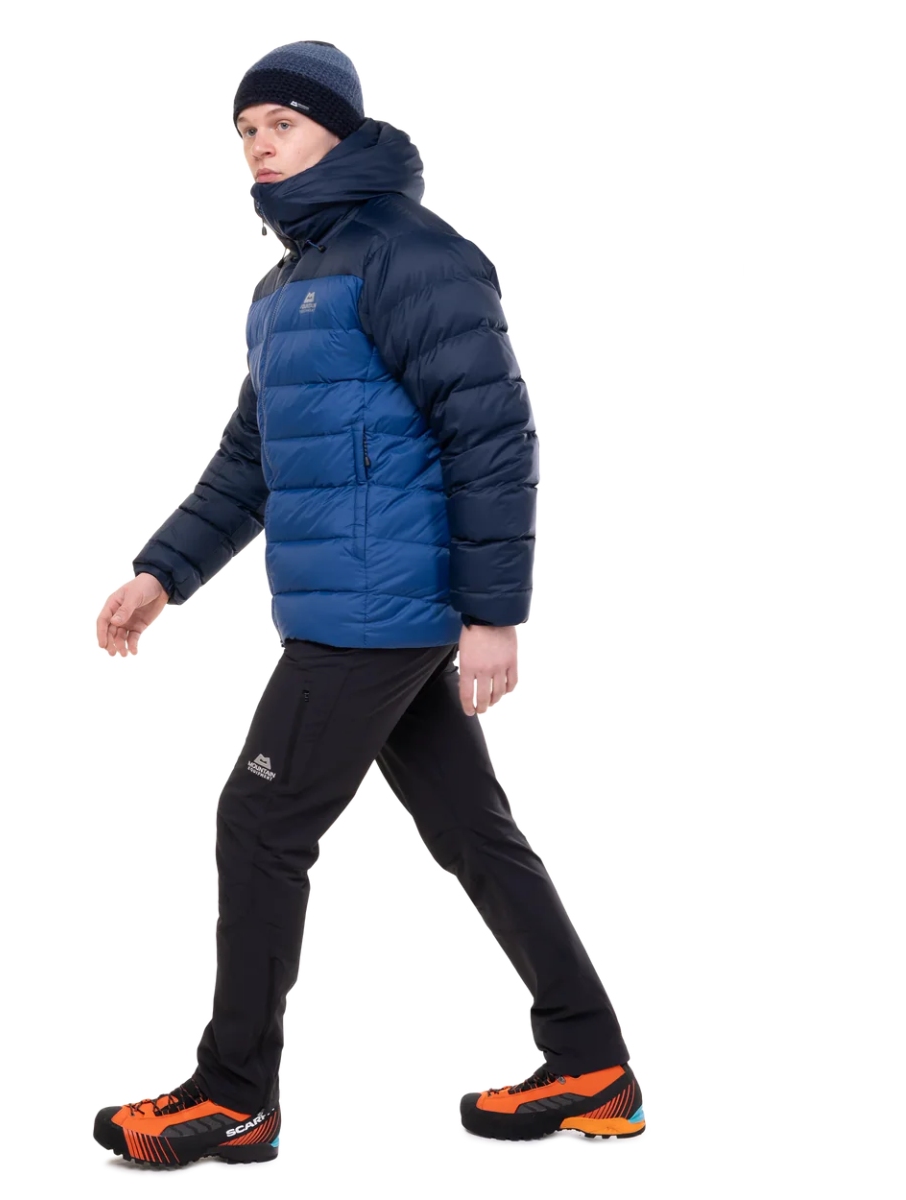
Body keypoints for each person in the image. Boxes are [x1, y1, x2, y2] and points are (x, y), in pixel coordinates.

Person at [91, 40, 643, 1168]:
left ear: (337, 129)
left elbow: (492, 434)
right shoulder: (283, 289)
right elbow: (251, 460)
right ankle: (592, 1062)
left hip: (377, 611)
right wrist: (163, 573)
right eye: (245, 132)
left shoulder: (413, 255)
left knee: (259, 824)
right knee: (473, 832)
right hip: (353, 607)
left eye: (281, 125)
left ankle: (233, 1095)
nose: (259, 147)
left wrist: (494, 613)